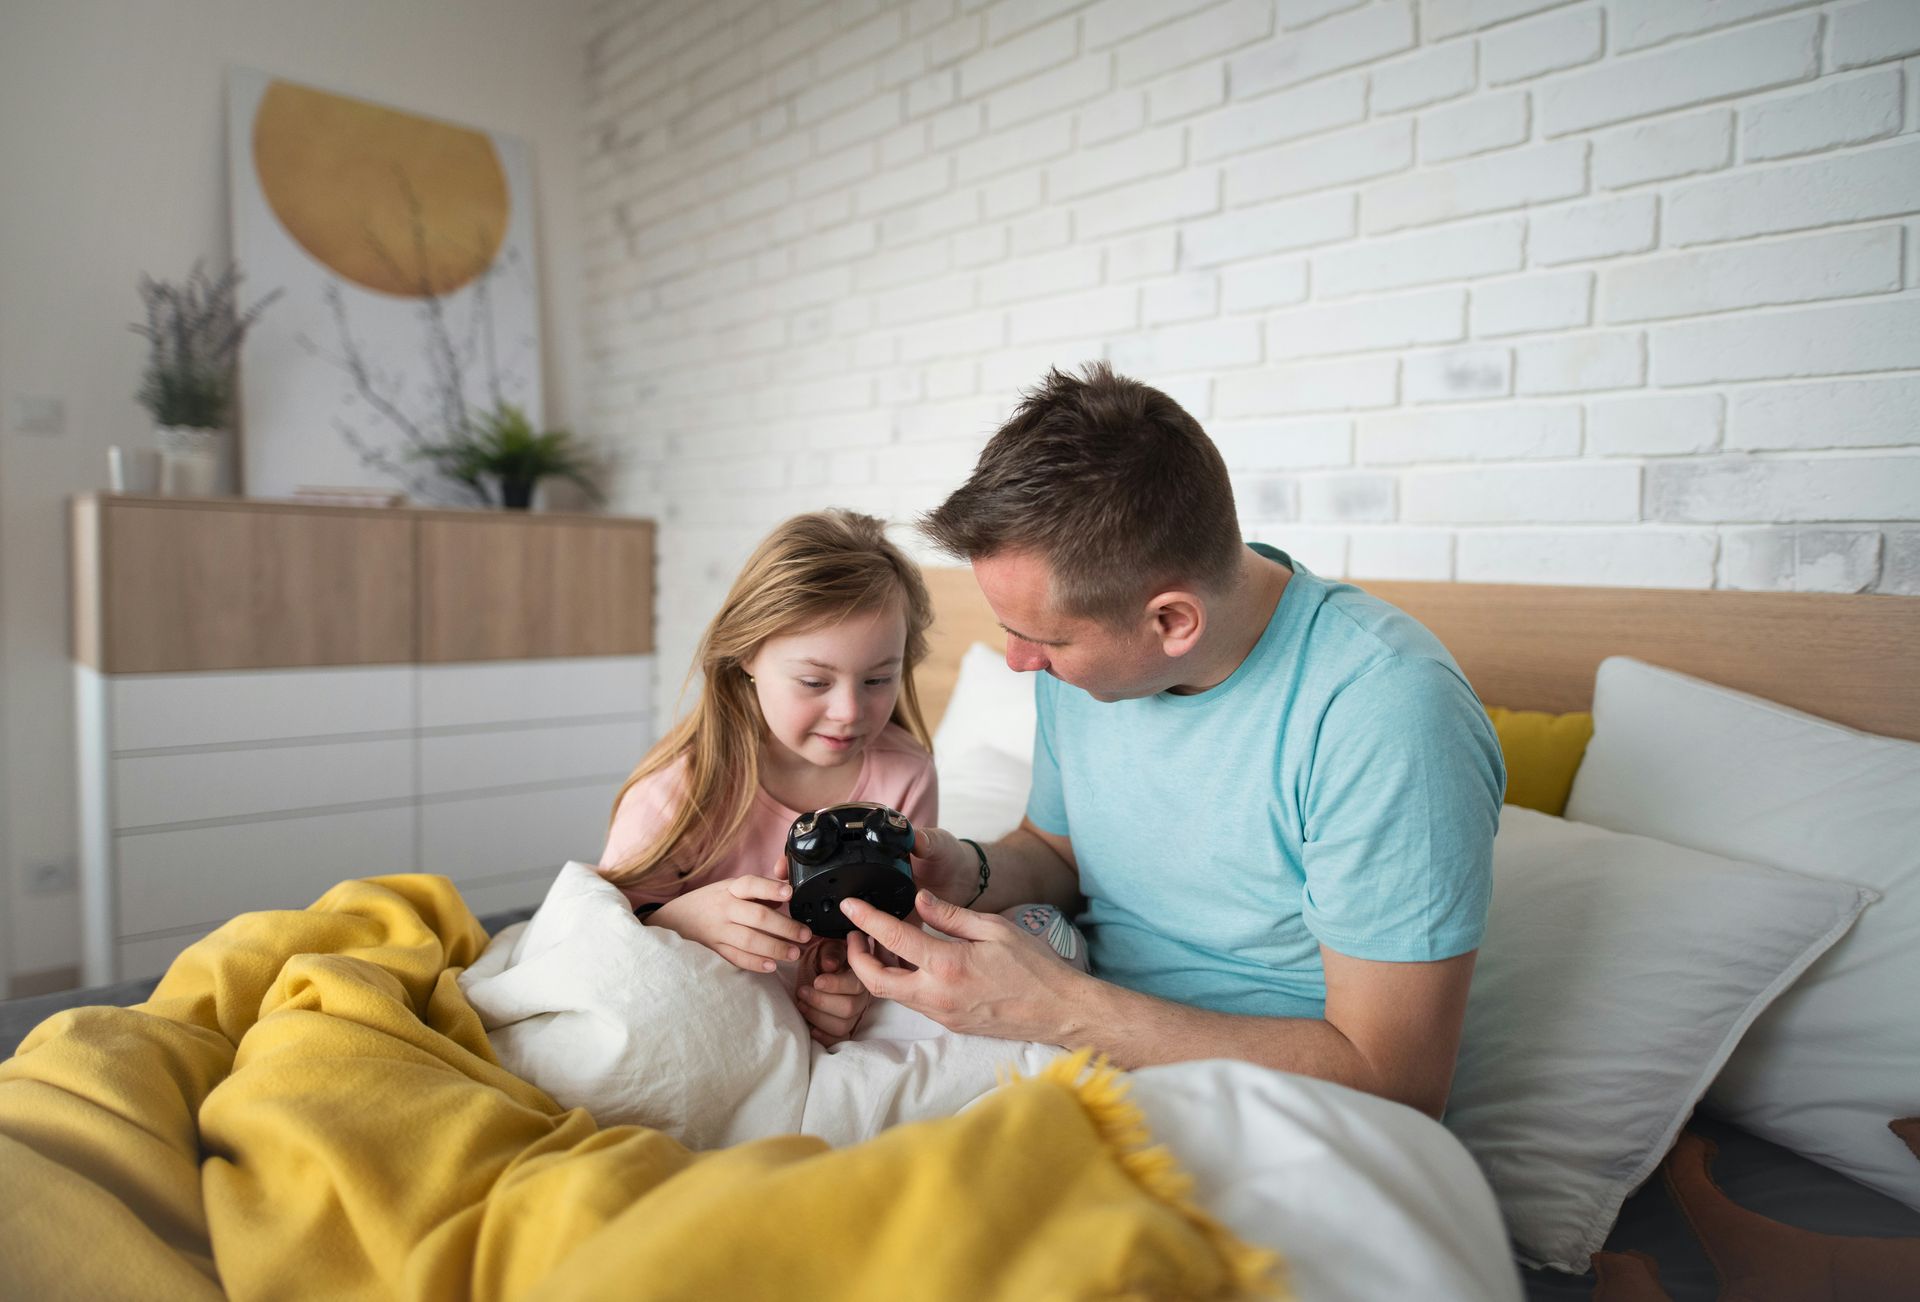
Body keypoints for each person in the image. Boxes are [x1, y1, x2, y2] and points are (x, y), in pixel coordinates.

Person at [839, 363, 1504, 1118]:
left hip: (1279, 1114)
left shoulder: (1387, 713)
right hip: (1066, 1050)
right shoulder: (1084, 675)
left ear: (1172, 622)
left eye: (1042, 639)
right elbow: (1058, 854)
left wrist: (1056, 1009)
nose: (1020, 663)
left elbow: (1396, 1082)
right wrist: (972, 869)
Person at [599, 508, 1085, 1047]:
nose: (850, 711)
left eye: (879, 679)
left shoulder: (905, 773)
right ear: (746, 655)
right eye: (814, 681)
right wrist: (680, 921)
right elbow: (606, 935)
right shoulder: (682, 787)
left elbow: (895, 929)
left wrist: (849, 988)